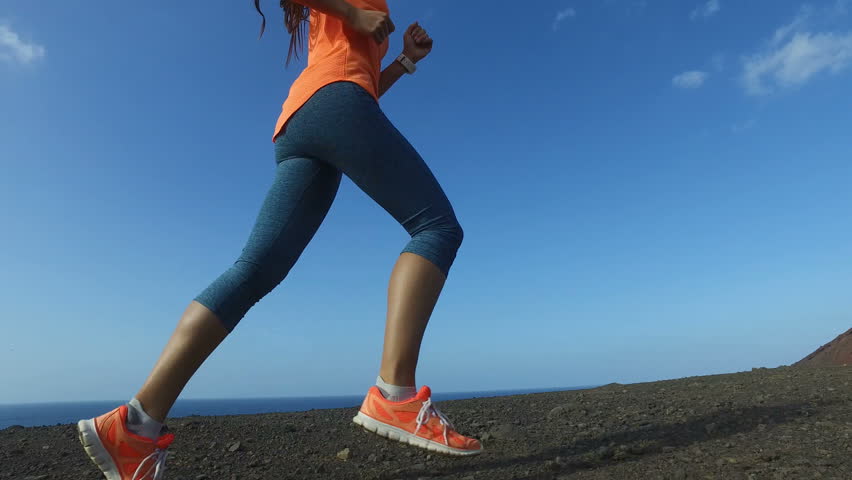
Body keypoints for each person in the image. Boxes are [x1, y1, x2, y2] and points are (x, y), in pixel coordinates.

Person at [76, 0, 482, 478]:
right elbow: (349, 86)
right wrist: (353, 16)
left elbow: (361, 86)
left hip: (306, 118)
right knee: (435, 226)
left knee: (253, 271)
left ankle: (134, 426)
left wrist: (405, 61)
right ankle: (395, 395)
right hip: (333, 103)